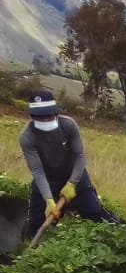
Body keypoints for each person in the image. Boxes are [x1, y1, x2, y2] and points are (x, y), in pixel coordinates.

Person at [18, 90, 118, 237]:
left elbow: (80, 156)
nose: (45, 120)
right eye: (40, 117)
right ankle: (28, 248)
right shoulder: (27, 137)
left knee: (96, 214)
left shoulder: (68, 125)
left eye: (49, 116)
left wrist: (72, 183)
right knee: (35, 225)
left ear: (56, 113)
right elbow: (37, 170)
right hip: (48, 181)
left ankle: (119, 233)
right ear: (32, 117)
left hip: (75, 177)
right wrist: (48, 199)